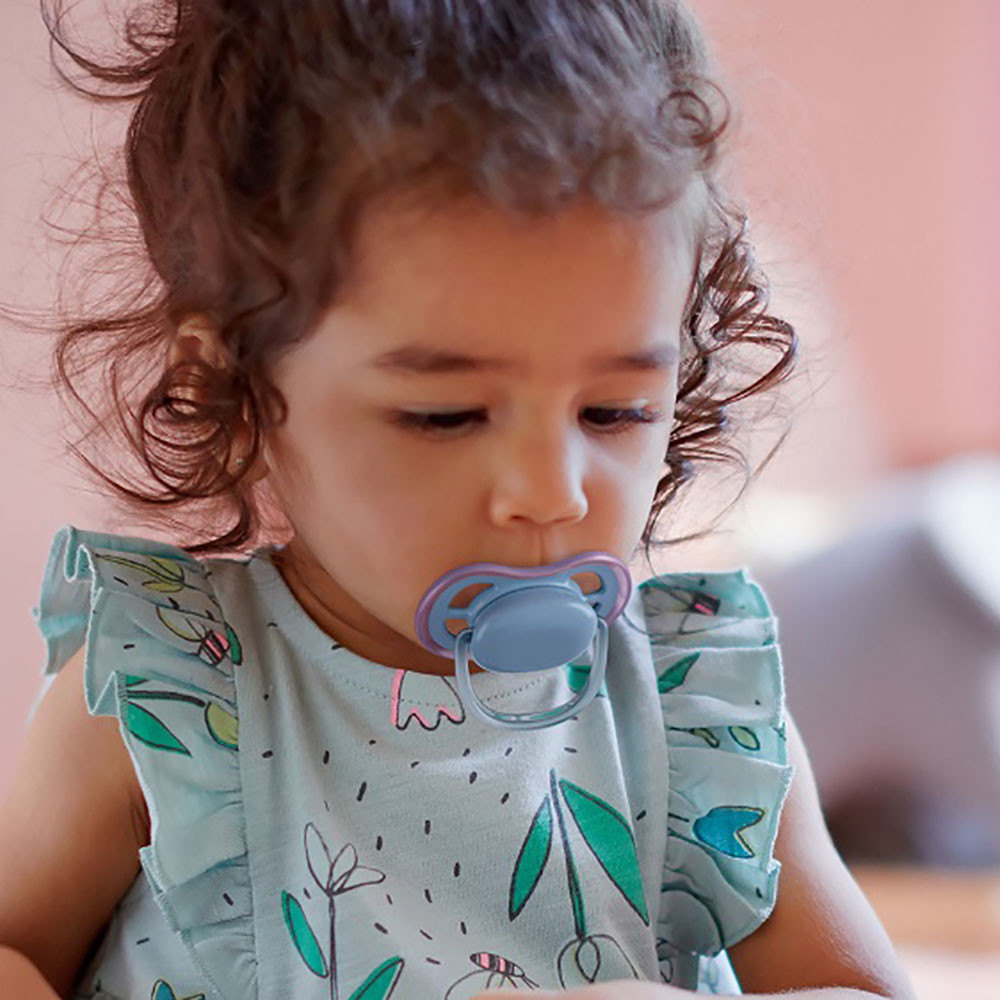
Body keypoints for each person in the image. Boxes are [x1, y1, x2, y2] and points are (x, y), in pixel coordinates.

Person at [0, 2, 913, 998]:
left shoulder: (692, 716)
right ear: (235, 392)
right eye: (447, 416)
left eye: (613, 410)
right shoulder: (166, 700)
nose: (550, 492)